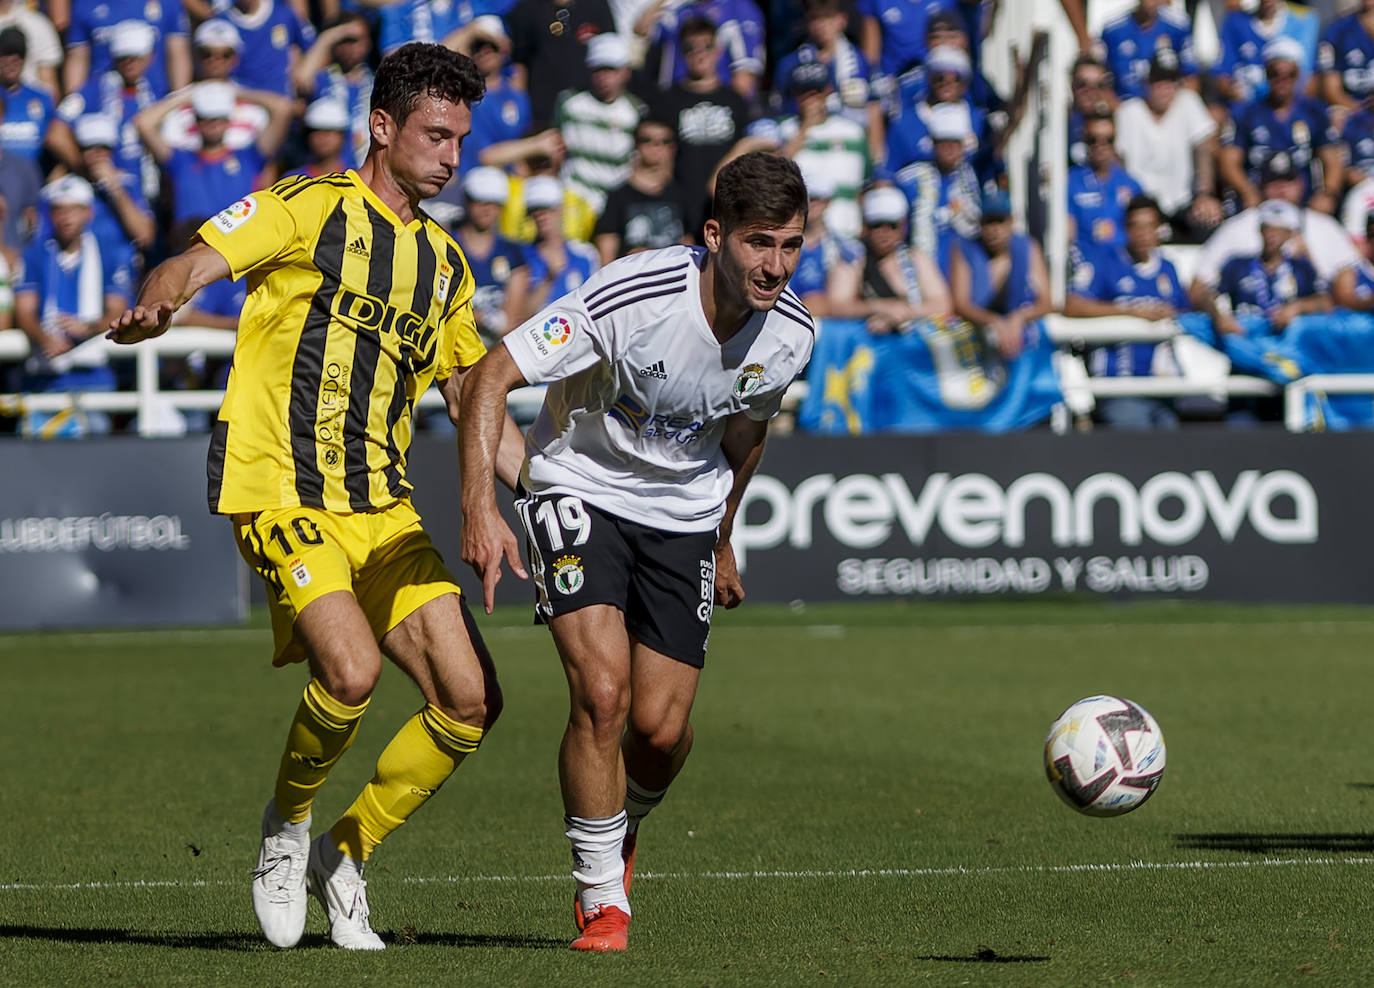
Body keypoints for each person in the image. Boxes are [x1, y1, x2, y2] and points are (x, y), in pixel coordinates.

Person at [106, 42, 527, 952]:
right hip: (279, 485)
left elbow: (471, 396)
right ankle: (286, 828)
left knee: (469, 700)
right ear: (382, 127)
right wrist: (158, 303)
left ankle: (347, 849)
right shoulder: (306, 207)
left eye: (462, 138)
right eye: (435, 134)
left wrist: (545, 490)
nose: (452, 156)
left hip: (384, 506)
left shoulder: (447, 266)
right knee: (352, 671)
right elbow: (193, 261)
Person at [456, 151, 815, 952]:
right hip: (576, 483)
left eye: (792, 246)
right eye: (761, 243)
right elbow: (490, 375)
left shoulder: (793, 333)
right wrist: (483, 508)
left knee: (658, 731)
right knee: (604, 693)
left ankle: (620, 828)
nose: (776, 266)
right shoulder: (635, 292)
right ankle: (600, 898)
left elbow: (748, 430)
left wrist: (721, 538)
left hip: (684, 510)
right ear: (714, 235)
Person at [16, 175, 133, 438]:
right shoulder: (34, 253)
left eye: (75, 209)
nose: (66, 217)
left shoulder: (110, 253)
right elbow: (24, 309)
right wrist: (43, 337)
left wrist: (86, 328)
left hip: (93, 376)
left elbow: (117, 309)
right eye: (59, 209)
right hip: (44, 378)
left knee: (96, 429)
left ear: (89, 213)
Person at [1064, 194, 1191, 429]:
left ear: (1159, 229)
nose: (1143, 234)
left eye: (1149, 226)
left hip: (1163, 385)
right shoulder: (1106, 262)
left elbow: (1184, 311)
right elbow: (1072, 305)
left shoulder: (1168, 268)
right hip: (1118, 383)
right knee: (1138, 451)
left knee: (1172, 453)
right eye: (1136, 227)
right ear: (1125, 229)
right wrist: (1131, 311)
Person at [134, 80, 295, 228]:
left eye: (219, 118)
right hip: (190, 248)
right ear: (196, 121)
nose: (213, 124)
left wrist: (234, 92)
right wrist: (189, 95)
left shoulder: (249, 157)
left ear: (229, 121)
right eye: (205, 118)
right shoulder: (180, 161)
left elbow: (283, 108)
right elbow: (144, 123)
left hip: (239, 251)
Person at [1221, 37, 1343, 215]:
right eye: (1274, 73)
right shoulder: (1246, 113)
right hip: (1257, 203)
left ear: (1298, 74)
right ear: (1266, 74)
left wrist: (1328, 194)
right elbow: (1229, 161)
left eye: (1290, 74)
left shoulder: (1315, 112)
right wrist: (1247, 191)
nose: (1282, 80)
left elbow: (1332, 159)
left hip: (1303, 206)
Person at [1114, 52, 1221, 244]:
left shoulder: (1187, 102)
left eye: (1171, 82)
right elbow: (1120, 161)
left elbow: (1203, 148)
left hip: (1182, 203)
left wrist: (1204, 194)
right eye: (1159, 82)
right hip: (1142, 204)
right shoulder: (1129, 111)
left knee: (1210, 222)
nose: (1165, 89)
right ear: (1147, 84)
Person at [826, 184, 951, 334]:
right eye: (876, 225)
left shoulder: (916, 259)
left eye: (892, 225)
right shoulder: (853, 259)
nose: (884, 233)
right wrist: (880, 307)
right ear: (866, 226)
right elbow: (837, 306)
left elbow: (942, 304)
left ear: (903, 226)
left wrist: (901, 314)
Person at [948, 186, 1052, 359]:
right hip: (979, 338)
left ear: (1011, 222)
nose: (994, 229)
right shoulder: (964, 249)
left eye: (1000, 221)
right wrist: (994, 322)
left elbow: (1047, 302)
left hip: (1020, 336)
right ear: (980, 223)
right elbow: (961, 304)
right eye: (989, 222)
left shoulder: (1027, 247)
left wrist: (1018, 318)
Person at [555, 33, 647, 218]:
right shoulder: (569, 103)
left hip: (614, 206)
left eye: (611, 69)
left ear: (625, 72)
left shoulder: (637, 112)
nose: (604, 77)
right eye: (598, 69)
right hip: (574, 200)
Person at [1211, 198, 1331, 337]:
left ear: (1290, 234)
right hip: (1244, 337)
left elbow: (1325, 302)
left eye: (1279, 230)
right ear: (1260, 230)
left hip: (1286, 342)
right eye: (1268, 228)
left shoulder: (1300, 267)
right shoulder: (1237, 264)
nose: (1272, 235)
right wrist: (1219, 315)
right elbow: (1209, 295)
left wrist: (1297, 307)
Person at [779, 59, 869, 239]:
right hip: (801, 238)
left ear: (828, 91)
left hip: (847, 233)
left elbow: (862, 186)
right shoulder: (784, 130)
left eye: (817, 92)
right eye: (804, 93)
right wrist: (805, 128)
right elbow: (776, 171)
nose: (812, 99)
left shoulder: (853, 132)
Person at [594, 114, 692, 264]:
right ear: (635, 144)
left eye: (664, 141)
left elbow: (689, 248)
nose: (655, 147)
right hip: (630, 281)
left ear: (673, 147)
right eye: (646, 140)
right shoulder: (618, 197)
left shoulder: (683, 194)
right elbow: (606, 258)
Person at [455, 165, 533, 344]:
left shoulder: (512, 253)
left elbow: (512, 321)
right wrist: (479, 317)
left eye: (495, 203)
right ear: (467, 201)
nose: (487, 209)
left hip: (492, 346)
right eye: (480, 201)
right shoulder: (446, 244)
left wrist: (487, 320)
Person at [522, 174, 602, 311]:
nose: (541, 216)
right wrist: (549, 279)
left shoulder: (585, 254)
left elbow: (597, 305)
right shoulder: (521, 257)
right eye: (535, 211)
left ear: (560, 209)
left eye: (548, 209)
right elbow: (520, 316)